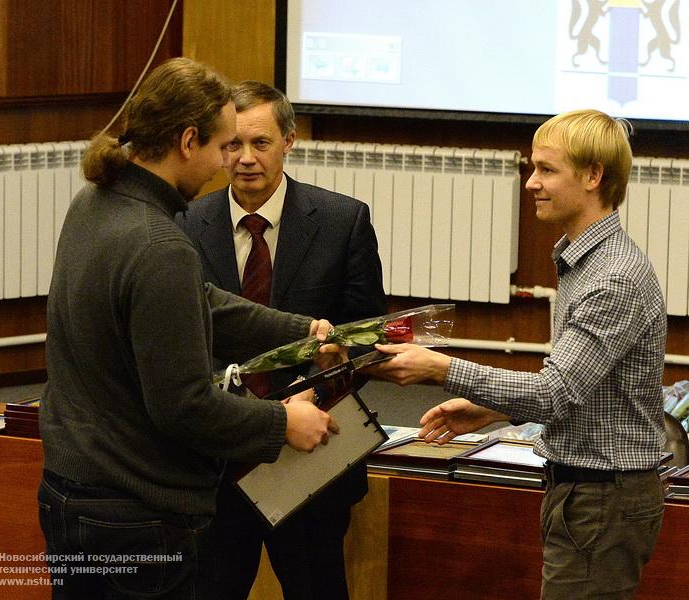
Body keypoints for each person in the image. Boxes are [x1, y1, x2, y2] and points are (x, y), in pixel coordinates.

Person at [37, 58, 340, 600]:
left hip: (73, 496)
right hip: (136, 520)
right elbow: (183, 404)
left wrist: (304, 331)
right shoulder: (160, 244)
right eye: (224, 146)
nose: (229, 164)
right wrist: (281, 423)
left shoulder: (96, 203)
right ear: (187, 141)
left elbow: (198, 303)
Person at [366, 109, 667, 600]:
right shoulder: (584, 259)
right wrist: (491, 407)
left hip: (602, 497)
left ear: (593, 177)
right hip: (589, 491)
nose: (531, 183)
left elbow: (553, 394)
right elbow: (581, 386)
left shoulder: (613, 277)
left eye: (547, 170)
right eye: (534, 168)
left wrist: (441, 368)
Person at [177, 80, 386, 600]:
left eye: (261, 143)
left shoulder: (343, 221)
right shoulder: (182, 225)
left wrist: (312, 390)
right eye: (232, 145)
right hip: (217, 460)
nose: (245, 159)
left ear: (289, 141)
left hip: (310, 458)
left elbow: (364, 337)